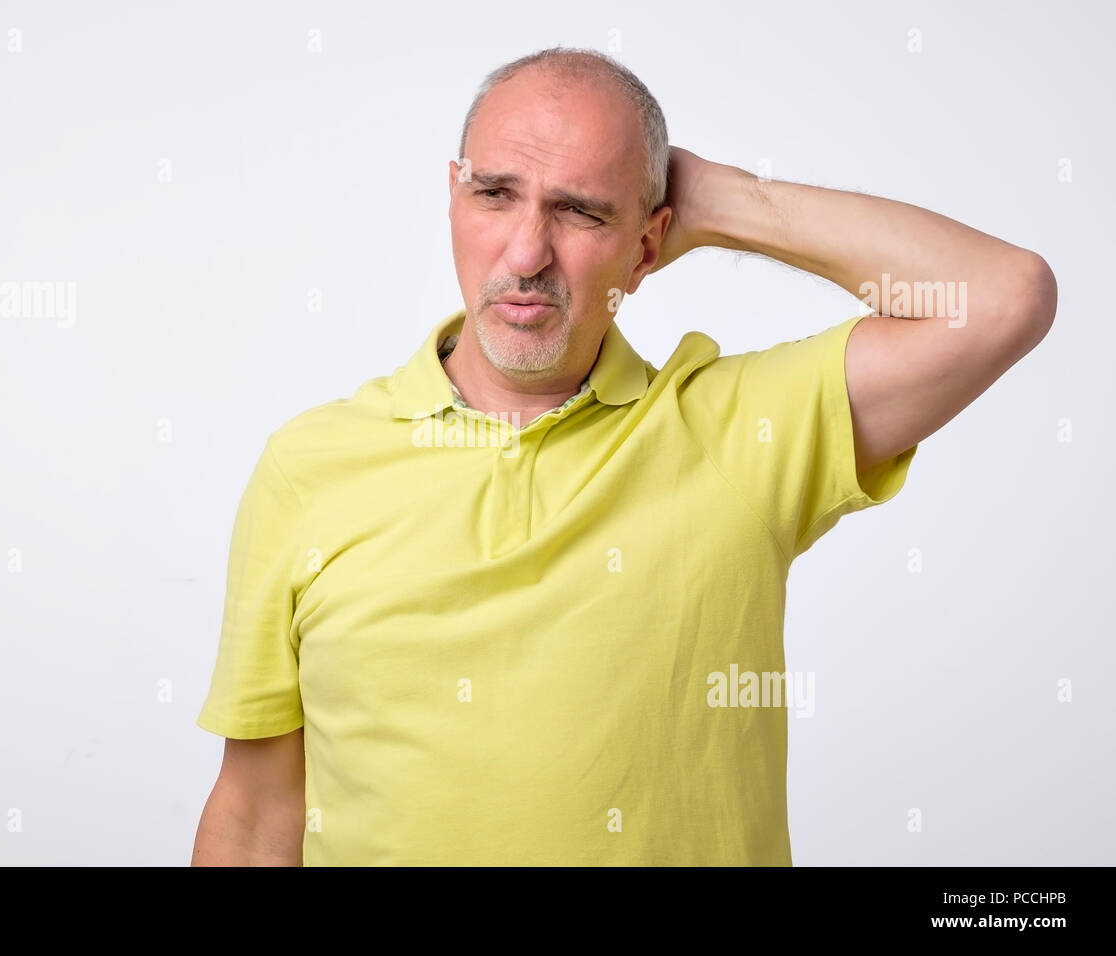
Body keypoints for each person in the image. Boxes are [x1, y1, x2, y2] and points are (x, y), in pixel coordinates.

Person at [190, 46, 1057, 866]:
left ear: (648, 245)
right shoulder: (310, 465)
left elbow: (1002, 297)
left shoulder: (738, 429)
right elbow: (257, 816)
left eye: (580, 210)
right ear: (453, 199)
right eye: (496, 194)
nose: (526, 255)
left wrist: (725, 200)